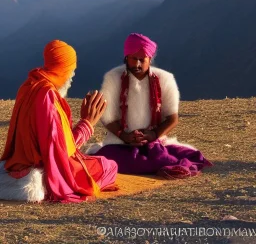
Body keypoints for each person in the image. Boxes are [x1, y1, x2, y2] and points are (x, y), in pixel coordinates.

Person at [0, 40, 118, 203]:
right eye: (72, 70)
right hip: (46, 169)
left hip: (18, 164)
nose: (73, 75)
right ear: (64, 69)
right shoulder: (47, 96)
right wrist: (87, 123)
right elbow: (59, 152)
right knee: (108, 166)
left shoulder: (28, 86)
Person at [90, 33, 212, 178]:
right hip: (121, 143)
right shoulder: (113, 77)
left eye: (142, 60)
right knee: (106, 156)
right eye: (133, 59)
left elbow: (172, 118)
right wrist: (125, 136)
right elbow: (107, 117)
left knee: (179, 156)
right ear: (126, 58)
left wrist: (153, 134)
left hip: (156, 142)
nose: (137, 64)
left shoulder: (165, 79)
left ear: (150, 59)